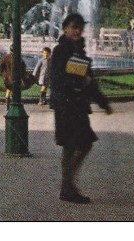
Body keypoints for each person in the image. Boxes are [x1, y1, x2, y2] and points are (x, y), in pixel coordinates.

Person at [50, 12, 112, 204]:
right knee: (73, 145)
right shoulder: (61, 51)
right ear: (65, 28)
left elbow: (90, 81)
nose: (77, 31)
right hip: (66, 106)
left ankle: (67, 185)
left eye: (80, 27)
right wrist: (81, 80)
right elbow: (58, 79)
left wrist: (103, 102)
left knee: (82, 144)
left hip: (77, 105)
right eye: (74, 27)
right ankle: (67, 187)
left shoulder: (79, 51)